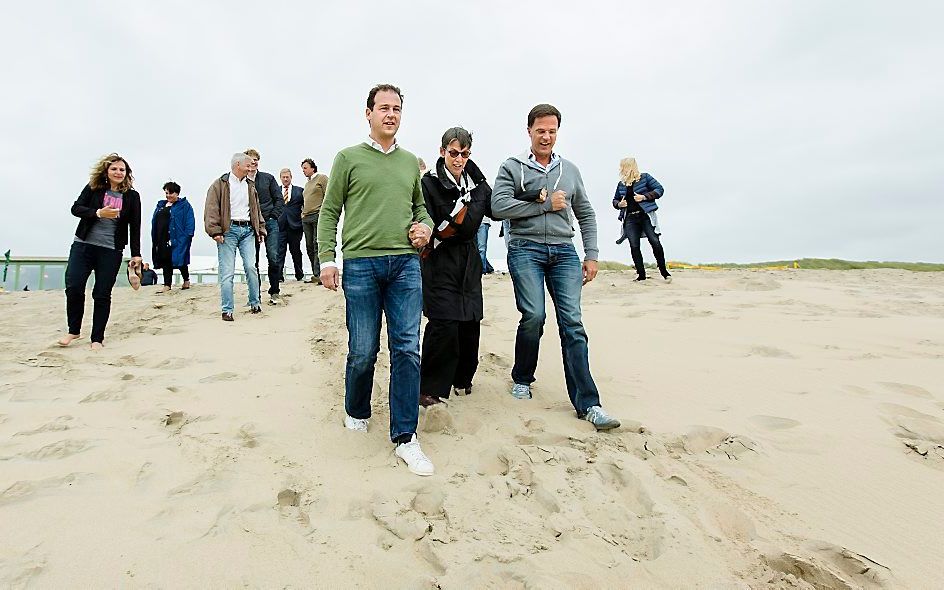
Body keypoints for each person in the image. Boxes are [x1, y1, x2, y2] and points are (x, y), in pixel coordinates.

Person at [317, 83, 436, 476]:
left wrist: (426, 228)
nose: (390, 114)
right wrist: (327, 260)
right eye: (383, 107)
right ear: (367, 113)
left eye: (396, 108)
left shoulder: (408, 162)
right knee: (363, 349)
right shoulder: (348, 158)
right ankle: (356, 412)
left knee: (406, 348)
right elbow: (330, 210)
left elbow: (420, 206)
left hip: (405, 264)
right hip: (361, 264)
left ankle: (406, 437)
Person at [491, 103, 621, 431]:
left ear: (557, 132)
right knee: (534, 315)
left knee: (573, 323)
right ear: (529, 131)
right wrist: (544, 204)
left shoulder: (571, 170)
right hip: (525, 249)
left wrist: (591, 255)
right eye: (540, 131)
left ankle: (589, 404)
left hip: (565, 252)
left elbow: (587, 213)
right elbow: (499, 205)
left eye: (551, 131)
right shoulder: (513, 167)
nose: (546, 136)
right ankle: (522, 377)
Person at [418, 127, 492, 407]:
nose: (458, 159)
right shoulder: (429, 183)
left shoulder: (477, 183)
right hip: (440, 258)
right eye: (453, 153)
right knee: (443, 322)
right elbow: (430, 219)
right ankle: (428, 389)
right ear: (442, 152)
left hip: (470, 260)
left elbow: (494, 209)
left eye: (464, 154)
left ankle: (462, 378)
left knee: (471, 321)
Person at [59, 153, 142, 350]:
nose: (118, 172)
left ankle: (97, 338)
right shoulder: (93, 188)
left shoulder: (132, 196)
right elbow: (76, 208)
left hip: (111, 250)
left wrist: (136, 253)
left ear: (127, 173)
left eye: (122, 169)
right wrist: (97, 213)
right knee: (74, 285)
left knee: (102, 293)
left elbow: (135, 226)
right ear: (106, 171)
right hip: (83, 245)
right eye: (114, 169)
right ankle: (74, 330)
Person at [205, 153, 266, 321]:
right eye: (247, 165)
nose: (250, 168)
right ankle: (227, 309)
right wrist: (215, 231)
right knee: (227, 272)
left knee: (251, 267)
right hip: (228, 231)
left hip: (248, 230)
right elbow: (211, 208)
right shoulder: (219, 184)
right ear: (237, 165)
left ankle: (255, 303)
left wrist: (260, 229)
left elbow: (256, 210)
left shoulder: (250, 186)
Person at [613, 157, 670, 282]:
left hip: (645, 216)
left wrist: (644, 197)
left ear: (631, 167)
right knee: (634, 246)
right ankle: (641, 275)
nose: (621, 169)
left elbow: (660, 190)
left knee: (655, 241)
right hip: (630, 219)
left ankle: (664, 272)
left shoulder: (645, 177)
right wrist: (619, 205)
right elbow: (615, 200)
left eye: (624, 166)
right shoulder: (621, 184)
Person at [245, 149, 284, 305]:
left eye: (256, 159)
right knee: (252, 262)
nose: (254, 162)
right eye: (250, 159)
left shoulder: (268, 178)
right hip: (249, 225)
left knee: (273, 257)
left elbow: (279, 199)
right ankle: (255, 296)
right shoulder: (240, 181)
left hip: (269, 222)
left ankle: (274, 291)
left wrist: (273, 216)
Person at [151, 181, 195, 292]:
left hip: (178, 237)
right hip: (162, 237)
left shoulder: (184, 205)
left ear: (177, 193)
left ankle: (186, 279)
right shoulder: (161, 205)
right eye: (166, 193)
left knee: (180, 259)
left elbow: (190, 220)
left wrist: (188, 235)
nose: (168, 195)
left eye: (171, 193)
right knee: (165, 259)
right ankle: (167, 284)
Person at [300, 158, 328, 284]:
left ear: (312, 168)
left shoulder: (322, 178)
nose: (303, 171)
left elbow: (329, 195)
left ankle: (319, 274)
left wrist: (324, 212)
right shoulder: (307, 184)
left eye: (305, 168)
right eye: (302, 169)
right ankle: (314, 272)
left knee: (317, 245)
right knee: (309, 246)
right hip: (306, 218)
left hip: (318, 215)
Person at [276, 168, 305, 282]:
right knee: (279, 252)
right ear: (280, 178)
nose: (285, 179)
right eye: (283, 177)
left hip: (295, 226)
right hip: (280, 226)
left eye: (287, 177)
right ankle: (279, 277)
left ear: (291, 177)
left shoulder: (300, 191)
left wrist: (303, 216)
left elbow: (305, 205)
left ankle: (299, 275)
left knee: (296, 251)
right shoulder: (276, 191)